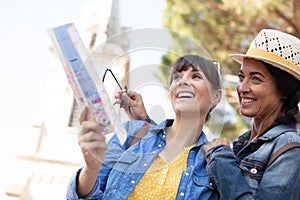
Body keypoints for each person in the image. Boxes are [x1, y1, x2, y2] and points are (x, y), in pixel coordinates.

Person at [66, 55, 222, 199]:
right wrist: (91, 169)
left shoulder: (213, 164)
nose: (183, 81)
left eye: (196, 76)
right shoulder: (133, 132)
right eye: (177, 77)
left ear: (216, 96)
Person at [203, 29, 300, 199]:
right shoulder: (243, 144)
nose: (242, 88)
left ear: (284, 90)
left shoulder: (290, 149)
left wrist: (221, 159)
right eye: (241, 77)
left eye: (256, 79)